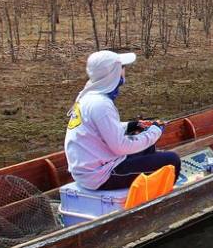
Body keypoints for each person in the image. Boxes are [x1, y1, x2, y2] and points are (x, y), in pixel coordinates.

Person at [65, 50, 180, 191]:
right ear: (115, 74)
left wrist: (131, 125)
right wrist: (155, 131)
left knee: (147, 147)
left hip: (90, 170)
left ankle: (146, 190)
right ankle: (158, 202)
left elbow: (101, 128)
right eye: (122, 68)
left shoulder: (87, 97)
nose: (124, 71)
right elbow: (121, 147)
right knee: (172, 161)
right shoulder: (101, 104)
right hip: (101, 176)